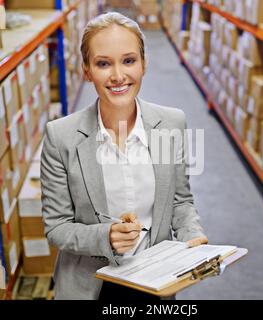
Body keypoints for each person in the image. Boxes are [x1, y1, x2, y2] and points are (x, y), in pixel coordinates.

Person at [40, 11, 208, 301]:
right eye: (103, 64)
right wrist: (104, 237)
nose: (118, 76)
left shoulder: (171, 124)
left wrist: (191, 233)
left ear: (144, 64)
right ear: (87, 70)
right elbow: (56, 227)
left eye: (129, 60)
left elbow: (180, 201)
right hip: (90, 284)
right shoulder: (61, 137)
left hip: (156, 280)